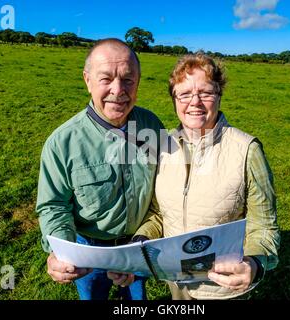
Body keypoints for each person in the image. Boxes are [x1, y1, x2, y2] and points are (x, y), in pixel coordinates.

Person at [111, 53, 280, 300]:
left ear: (219, 95)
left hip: (223, 288)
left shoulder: (247, 150)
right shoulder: (163, 146)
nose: (195, 102)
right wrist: (139, 245)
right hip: (176, 282)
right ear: (174, 100)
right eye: (185, 94)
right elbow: (159, 213)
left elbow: (264, 225)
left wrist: (254, 264)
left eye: (206, 93)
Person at [36, 38, 163, 300]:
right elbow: (54, 205)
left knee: (136, 301)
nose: (118, 90)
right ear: (87, 80)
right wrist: (63, 252)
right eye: (106, 79)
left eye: (128, 79)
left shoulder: (151, 124)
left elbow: (165, 187)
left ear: (138, 81)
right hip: (88, 251)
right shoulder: (62, 142)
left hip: (138, 245)